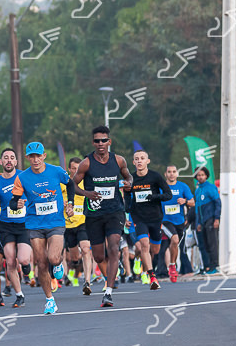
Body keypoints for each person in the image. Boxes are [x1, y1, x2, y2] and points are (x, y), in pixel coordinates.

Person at [9, 142, 76, 315]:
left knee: (53, 258)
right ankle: (49, 300)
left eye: (38, 156)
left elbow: (71, 185)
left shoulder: (56, 171)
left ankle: (58, 263)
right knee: (41, 262)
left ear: (44, 156)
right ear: (27, 158)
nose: (36, 159)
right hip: (34, 224)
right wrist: (17, 204)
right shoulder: (22, 177)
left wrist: (70, 203)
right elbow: (13, 202)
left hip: (55, 222)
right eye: (32, 156)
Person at [71, 125, 133, 308]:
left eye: (103, 140)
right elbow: (72, 185)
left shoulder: (119, 160)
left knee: (114, 247)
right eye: (97, 141)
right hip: (94, 214)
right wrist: (86, 194)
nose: (100, 144)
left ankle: (108, 292)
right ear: (93, 143)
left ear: (109, 142)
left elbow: (129, 177)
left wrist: (129, 183)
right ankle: (113, 265)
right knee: (98, 256)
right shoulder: (86, 163)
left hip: (115, 211)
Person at [0, 148, 31, 307]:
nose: (9, 160)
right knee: (10, 261)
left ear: (16, 162)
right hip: (6, 225)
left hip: (24, 224)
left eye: (12, 157)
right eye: (6, 157)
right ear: (1, 162)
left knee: (23, 259)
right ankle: (19, 295)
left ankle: (26, 266)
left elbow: (33, 195)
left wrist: (24, 202)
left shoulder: (23, 176)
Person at [124, 150, 172, 288]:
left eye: (142, 158)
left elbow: (168, 195)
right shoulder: (131, 179)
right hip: (139, 218)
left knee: (155, 250)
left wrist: (154, 197)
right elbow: (127, 196)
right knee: (144, 244)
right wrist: (127, 209)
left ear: (147, 161)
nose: (139, 161)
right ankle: (152, 277)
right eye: (137, 159)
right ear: (133, 162)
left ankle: (139, 258)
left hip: (155, 218)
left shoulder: (155, 176)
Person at [62, 157, 93, 295]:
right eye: (73, 168)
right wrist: (62, 202)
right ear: (69, 169)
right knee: (74, 257)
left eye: (78, 168)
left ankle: (87, 282)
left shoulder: (86, 183)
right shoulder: (63, 183)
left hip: (83, 223)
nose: (76, 171)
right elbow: (52, 197)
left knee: (86, 249)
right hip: (67, 225)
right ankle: (74, 266)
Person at [162, 164, 195, 280]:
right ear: (165, 174)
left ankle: (172, 265)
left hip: (179, 222)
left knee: (175, 244)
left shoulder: (183, 186)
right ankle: (172, 267)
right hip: (165, 221)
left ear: (177, 173)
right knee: (174, 239)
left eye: (174, 171)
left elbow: (193, 202)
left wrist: (185, 201)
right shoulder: (161, 187)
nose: (171, 174)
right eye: (169, 172)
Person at [194, 166, 221, 274]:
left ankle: (215, 266)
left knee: (212, 243)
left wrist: (217, 219)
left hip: (211, 219)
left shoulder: (211, 187)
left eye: (202, 175)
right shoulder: (197, 190)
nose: (200, 177)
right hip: (202, 221)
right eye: (198, 175)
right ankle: (207, 266)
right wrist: (198, 223)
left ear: (206, 176)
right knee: (204, 245)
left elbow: (218, 203)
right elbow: (197, 208)